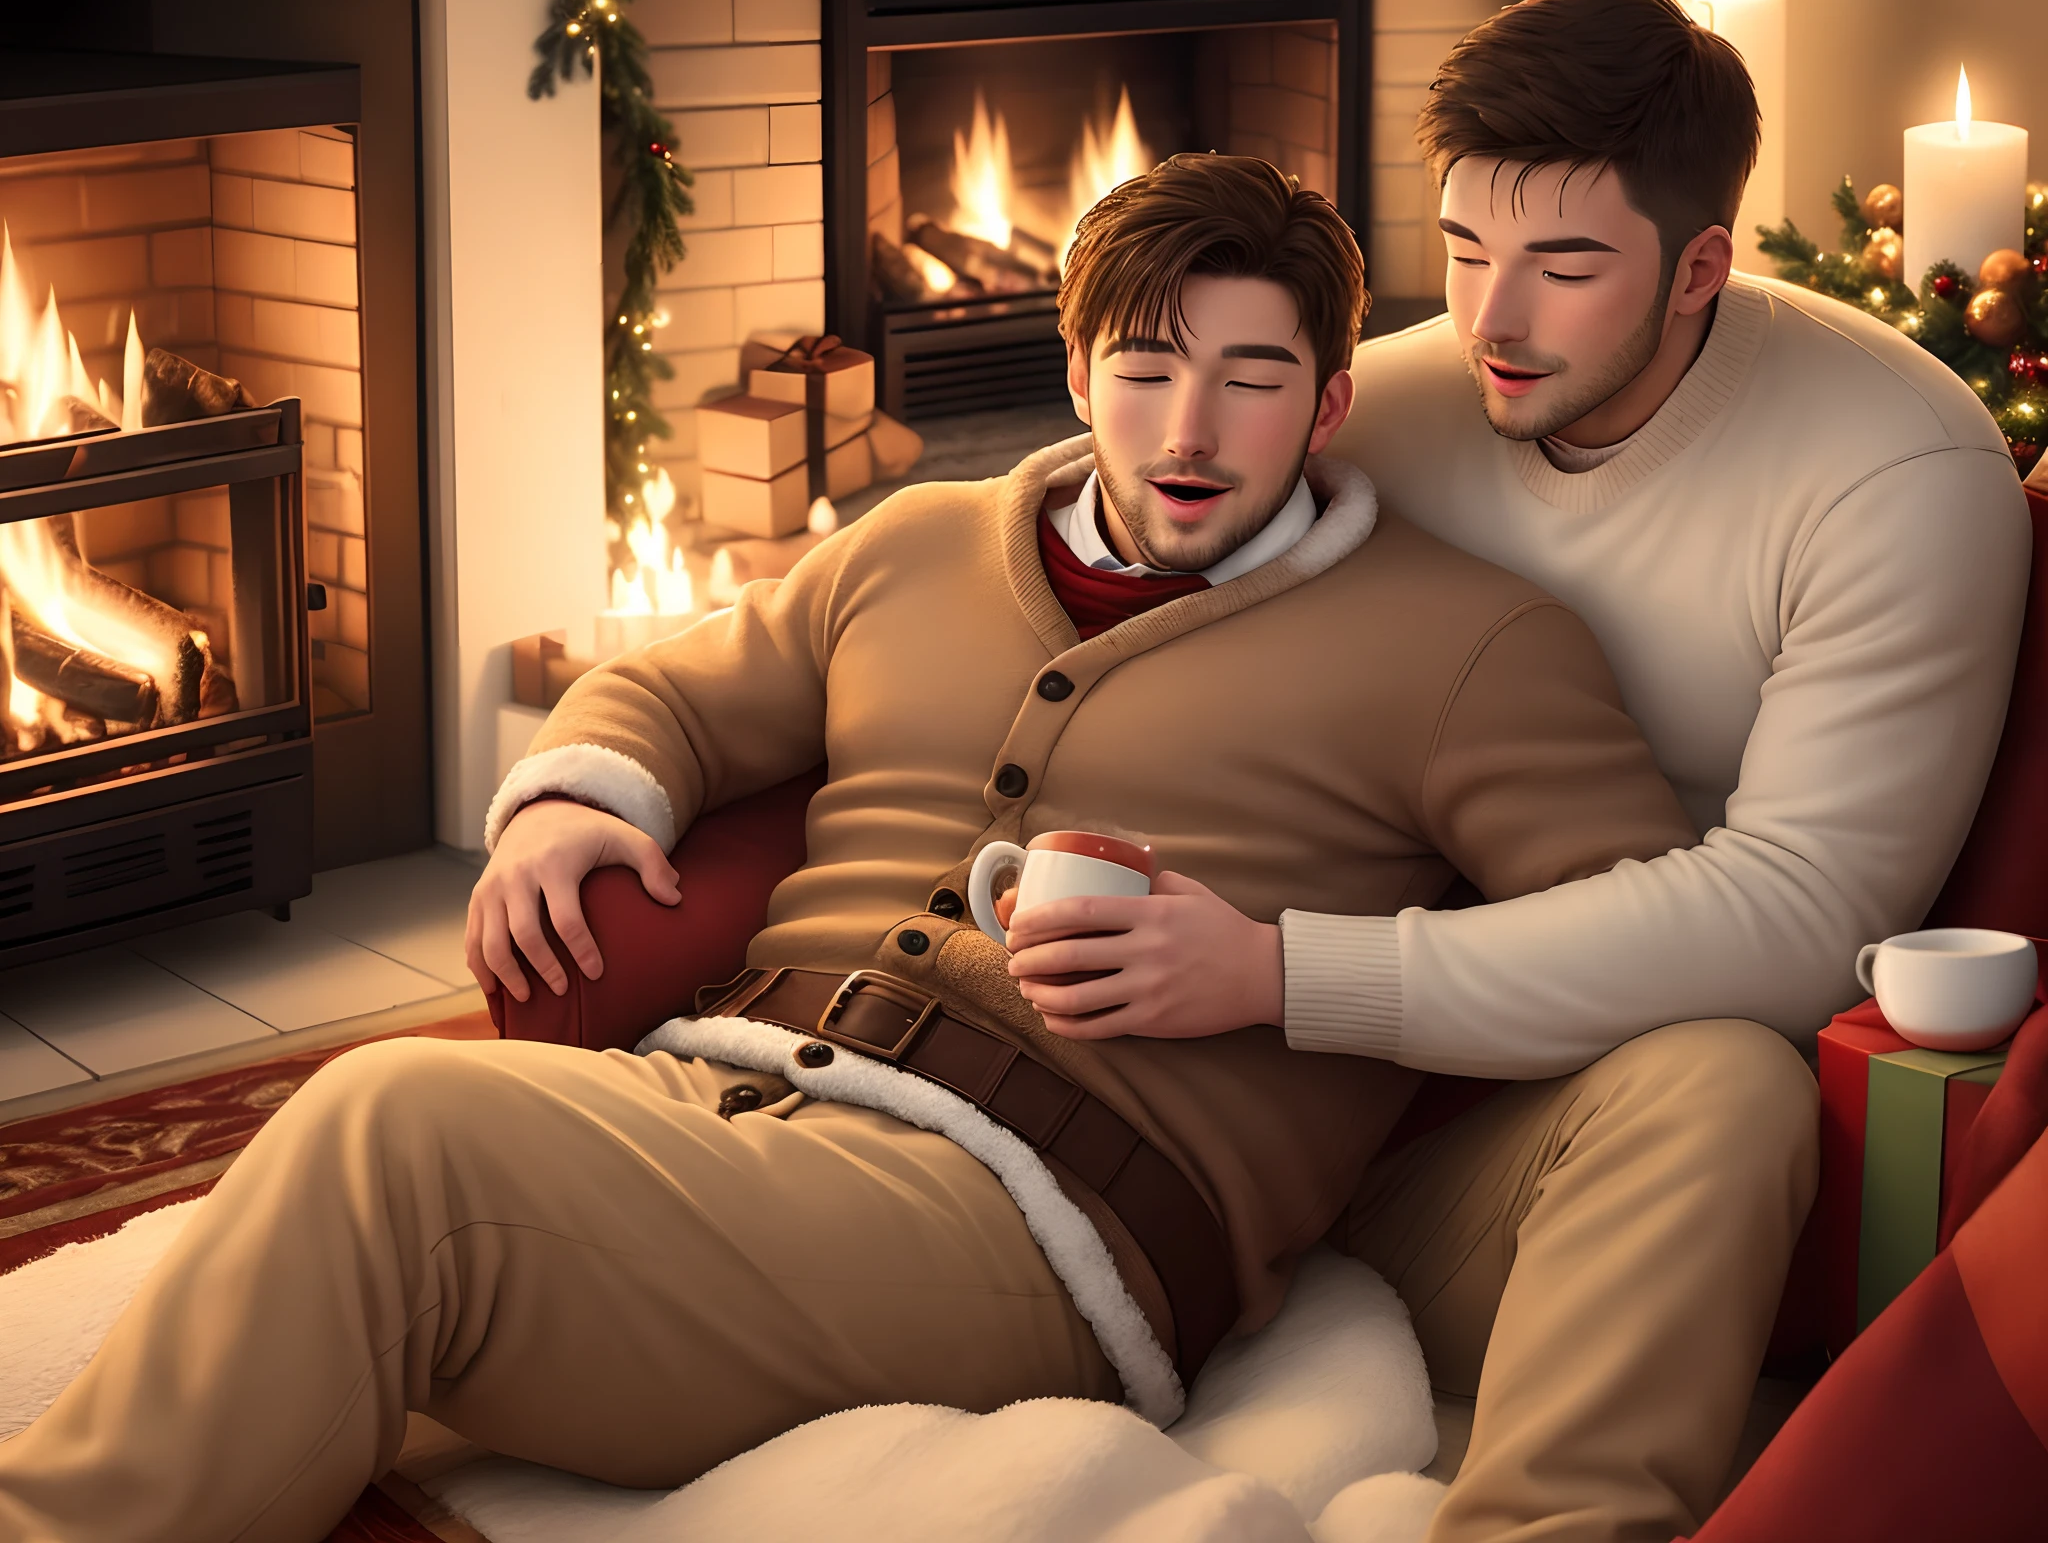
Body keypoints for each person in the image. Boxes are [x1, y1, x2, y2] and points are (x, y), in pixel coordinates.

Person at [0, 157, 1794, 1543]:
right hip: (722, 1113)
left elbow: (1647, 942)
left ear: (1328, 405)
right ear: (1079, 367)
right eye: (1150, 368)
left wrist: (1280, 973)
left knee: (388, 1123)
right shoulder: (910, 545)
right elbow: (673, 696)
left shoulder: (1461, 645)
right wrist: (568, 797)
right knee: (383, 1180)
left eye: (1253, 381)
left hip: (1029, 1223)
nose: (1191, 431)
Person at [1002, 0, 2030, 1543]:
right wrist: (617, 758)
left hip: (1561, 1112)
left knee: (1722, 1084)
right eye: (1468, 250)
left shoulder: (1895, 472)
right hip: (1261, 1098)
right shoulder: (1406, 403)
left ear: (1701, 268)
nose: (1490, 318)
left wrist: (1288, 974)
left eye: (1562, 267)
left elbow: (1803, 916)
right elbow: (1098, 507)